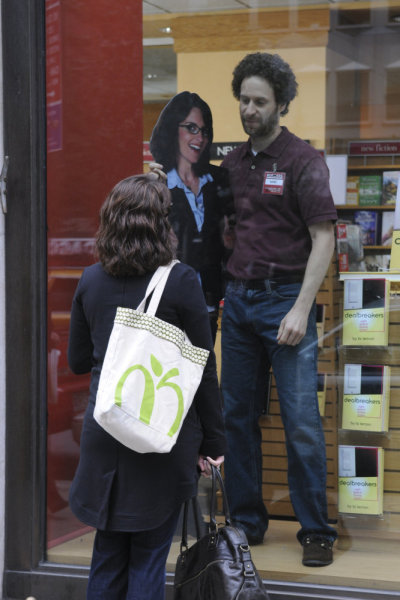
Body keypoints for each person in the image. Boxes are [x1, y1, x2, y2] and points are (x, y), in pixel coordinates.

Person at [67, 174, 225, 600]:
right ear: (161, 223)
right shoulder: (182, 281)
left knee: (107, 555)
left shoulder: (90, 280)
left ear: (111, 221)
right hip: (160, 441)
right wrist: (213, 440)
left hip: (106, 434)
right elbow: (201, 370)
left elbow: (78, 361)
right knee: (149, 560)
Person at [220, 52, 338, 567]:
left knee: (301, 422)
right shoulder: (232, 164)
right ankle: (247, 521)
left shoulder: (303, 162)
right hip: (239, 305)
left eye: (259, 101)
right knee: (236, 419)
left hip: (286, 305)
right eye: (244, 100)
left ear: (281, 104)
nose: (248, 110)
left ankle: (316, 530)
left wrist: (300, 308)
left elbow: (325, 239)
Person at [150, 91, 233, 341]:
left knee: (204, 373)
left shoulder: (219, 180)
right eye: (191, 128)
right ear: (171, 130)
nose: (200, 137)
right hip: (167, 307)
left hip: (208, 304)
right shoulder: (158, 183)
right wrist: (151, 194)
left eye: (204, 131)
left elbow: (230, 241)